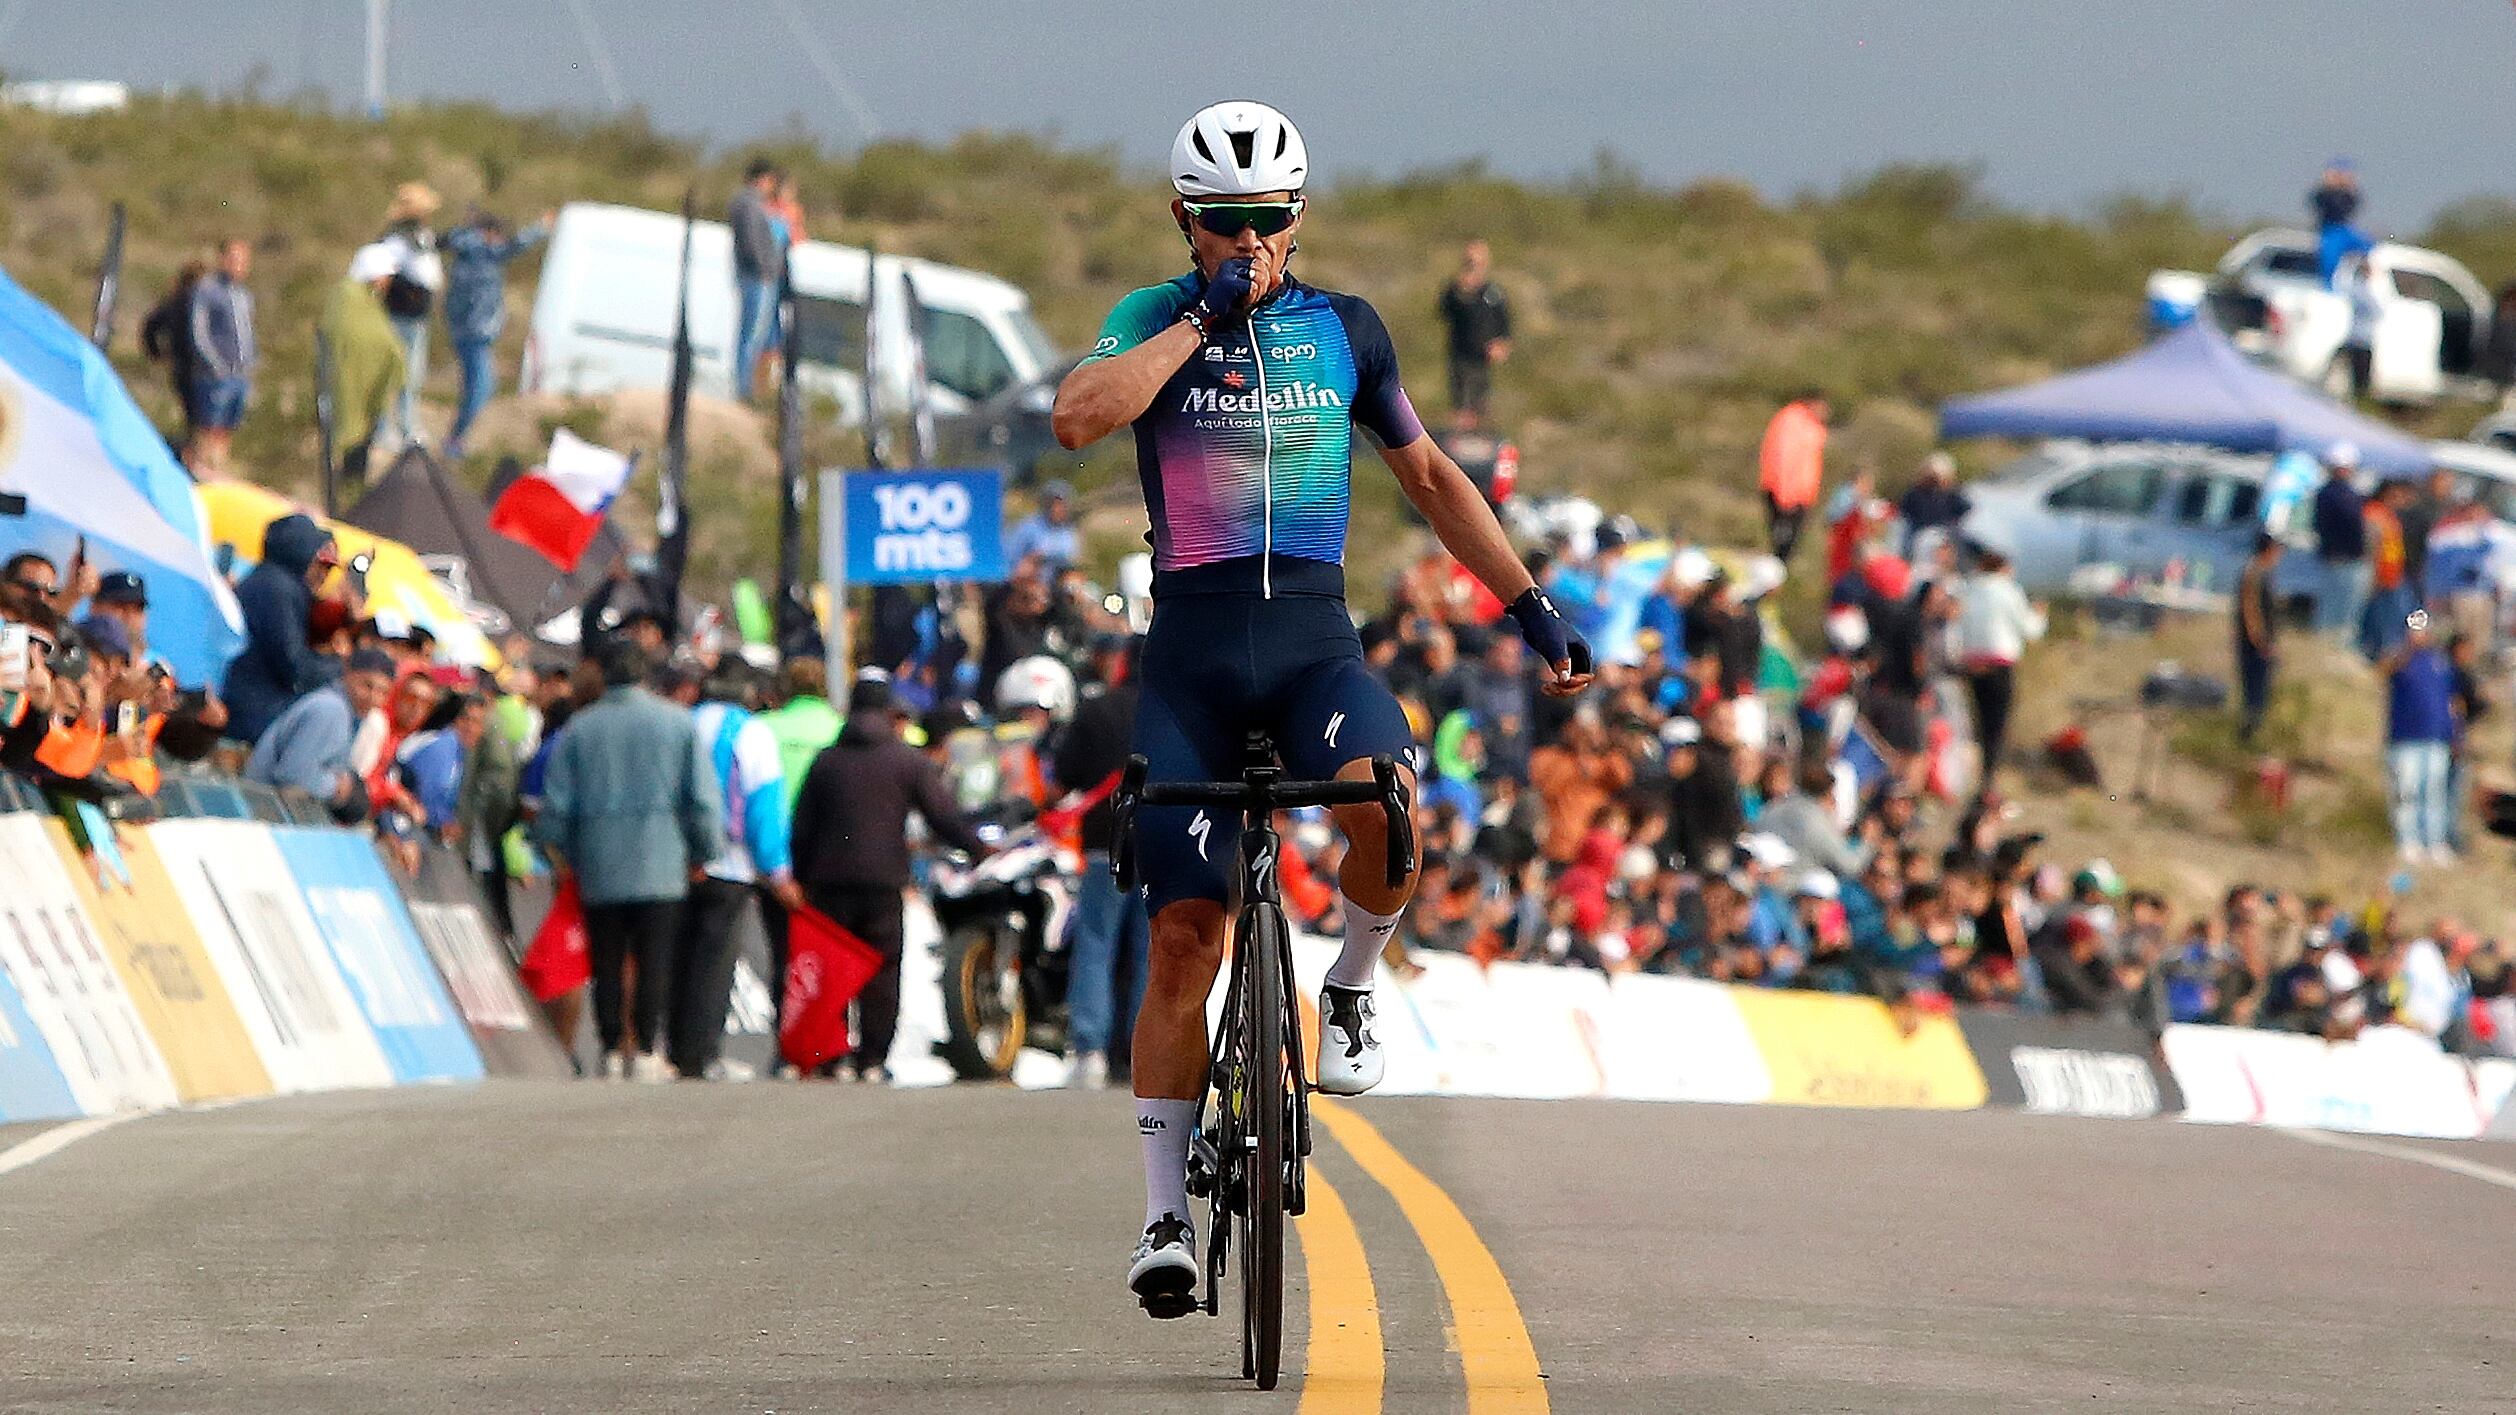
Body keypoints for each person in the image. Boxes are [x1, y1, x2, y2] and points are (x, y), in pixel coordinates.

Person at [1050, 100, 1592, 1315]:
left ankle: (1348, 981)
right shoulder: (1151, 317)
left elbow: (1431, 478)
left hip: (1310, 646)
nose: (1247, 243)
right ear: (1184, 220)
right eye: (1222, 223)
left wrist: (1526, 604)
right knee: (1186, 935)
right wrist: (1198, 320)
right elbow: (1079, 416)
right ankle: (1158, 1214)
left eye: (1267, 222)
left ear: (1299, 217)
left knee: (1387, 805)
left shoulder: (1344, 328)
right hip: (1189, 657)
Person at [534, 640, 725, 1082]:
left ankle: (608, 1046)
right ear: (644, 675)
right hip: (662, 863)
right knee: (655, 957)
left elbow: (556, 805)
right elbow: (701, 799)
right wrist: (704, 851)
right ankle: (642, 1047)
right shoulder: (677, 723)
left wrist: (562, 851)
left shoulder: (580, 728)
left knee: (606, 958)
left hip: (599, 864)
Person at [789, 674, 988, 1082]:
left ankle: (832, 1055)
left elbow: (802, 826)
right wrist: (979, 847)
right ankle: (873, 1058)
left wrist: (799, 875)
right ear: (887, 712)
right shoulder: (906, 761)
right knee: (881, 969)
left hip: (828, 880)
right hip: (883, 879)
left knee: (833, 968)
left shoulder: (826, 761)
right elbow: (942, 816)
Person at [666, 661, 802, 1080]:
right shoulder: (752, 732)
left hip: (677, 864)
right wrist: (777, 870)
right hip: (731, 864)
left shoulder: (681, 724)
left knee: (679, 958)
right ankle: (701, 1054)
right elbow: (766, 806)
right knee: (714, 962)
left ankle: (674, 1050)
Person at [1053, 635, 1148, 1089]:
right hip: (1162, 845)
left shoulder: (1097, 709)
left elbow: (1066, 773)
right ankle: (1141, 1050)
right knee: (1151, 952)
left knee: (1095, 942)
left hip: (1103, 843)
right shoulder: (1175, 713)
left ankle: (1089, 1047)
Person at [440, 207, 551, 458]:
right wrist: (541, 228)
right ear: (490, 234)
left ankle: (456, 438)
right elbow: (515, 246)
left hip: (465, 331)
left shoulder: (467, 251)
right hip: (475, 333)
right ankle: (455, 439)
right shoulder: (482, 252)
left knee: (476, 387)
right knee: (482, 388)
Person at [220, 515, 340, 746]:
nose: (325, 574)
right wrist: (336, 665)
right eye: (321, 564)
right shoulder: (279, 590)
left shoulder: (268, 580)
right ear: (303, 554)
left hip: (241, 709)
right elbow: (293, 667)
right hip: (249, 720)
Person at [245, 648, 394, 820]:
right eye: (367, 685)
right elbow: (293, 774)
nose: (374, 698)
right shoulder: (332, 710)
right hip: (259, 811)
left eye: (383, 692)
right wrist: (337, 786)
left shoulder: (345, 712)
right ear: (348, 673)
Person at [1950, 546, 2044, 793]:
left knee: (1978, 720)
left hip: (1971, 662)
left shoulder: (1967, 588)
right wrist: (2041, 616)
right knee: (1997, 723)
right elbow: (2030, 629)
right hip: (2000, 663)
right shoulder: (2008, 590)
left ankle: (1974, 773)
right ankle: (1988, 778)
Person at [321, 244, 411, 489]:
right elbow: (359, 335)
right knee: (348, 444)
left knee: (361, 448)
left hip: (365, 384)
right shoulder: (349, 297)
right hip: (347, 383)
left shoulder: (368, 301)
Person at [2379, 611, 2457, 866]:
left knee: (2434, 793)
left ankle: (2434, 841)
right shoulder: (2401, 660)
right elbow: (2383, 671)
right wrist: (2405, 650)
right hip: (2406, 738)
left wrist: (2454, 732)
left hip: (2436, 738)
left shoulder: (2439, 662)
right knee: (2407, 791)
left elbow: (2451, 700)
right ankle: (2408, 840)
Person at [377, 182, 446, 449]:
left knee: (412, 377)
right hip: (399, 315)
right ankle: (386, 429)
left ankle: (407, 426)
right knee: (394, 375)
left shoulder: (421, 236)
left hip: (416, 317)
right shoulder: (396, 240)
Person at [185, 238, 257, 475]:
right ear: (223, 260)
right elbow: (199, 334)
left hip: (240, 375)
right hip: (214, 376)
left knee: (227, 430)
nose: (240, 266)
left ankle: (218, 470)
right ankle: (202, 472)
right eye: (235, 260)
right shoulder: (207, 290)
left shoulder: (243, 294)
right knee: (209, 430)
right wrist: (216, 365)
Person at [728, 158, 787, 399]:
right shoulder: (750, 204)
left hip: (753, 275)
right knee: (753, 334)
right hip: (757, 277)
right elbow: (753, 242)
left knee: (752, 333)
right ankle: (744, 389)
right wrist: (766, 269)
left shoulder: (746, 203)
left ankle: (746, 386)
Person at [1437, 239, 1511, 418]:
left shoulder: (1493, 292)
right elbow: (1445, 311)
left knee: (1483, 403)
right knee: (1461, 402)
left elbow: (1504, 321)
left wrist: (1502, 344)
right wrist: (1463, 290)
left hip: (1484, 358)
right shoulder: (1455, 290)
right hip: (1461, 354)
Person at [139, 260, 207, 449]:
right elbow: (151, 327)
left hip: (182, 366)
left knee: (194, 416)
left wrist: (156, 354)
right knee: (202, 419)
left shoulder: (174, 301)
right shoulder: (190, 303)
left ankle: (193, 450)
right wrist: (157, 353)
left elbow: (150, 327)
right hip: (194, 368)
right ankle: (195, 454)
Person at [1757, 392, 1828, 561]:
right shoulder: (1792, 422)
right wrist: (1785, 496)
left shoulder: (1809, 425)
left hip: (1800, 496)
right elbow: (1784, 458)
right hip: (1787, 496)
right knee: (1782, 546)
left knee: (1789, 547)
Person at [2309, 446, 2367, 638]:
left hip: (2338, 558)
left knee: (2337, 609)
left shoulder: (2328, 493)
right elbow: (2353, 524)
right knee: (2338, 612)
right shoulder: (2336, 494)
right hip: (2342, 559)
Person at [2234, 532, 2282, 744]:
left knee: (2262, 690)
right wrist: (2261, 640)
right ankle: (2248, 733)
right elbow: (2250, 609)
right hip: (2255, 645)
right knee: (2254, 689)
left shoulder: (2262, 572)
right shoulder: (2254, 572)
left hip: (2262, 643)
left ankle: (2255, 730)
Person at [1896, 452, 1969, 554]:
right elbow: (1905, 513)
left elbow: (1964, 512)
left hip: (1946, 534)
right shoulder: (1915, 493)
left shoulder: (1953, 493)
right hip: (1919, 533)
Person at [1003, 481, 1082, 574]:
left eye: (1062, 505)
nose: (1057, 509)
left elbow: (1072, 558)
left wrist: (1044, 555)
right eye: (1054, 504)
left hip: (1060, 581)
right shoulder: (1029, 527)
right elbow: (1011, 557)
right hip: (1030, 581)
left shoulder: (1068, 531)